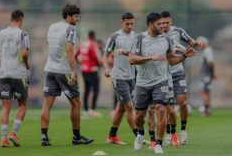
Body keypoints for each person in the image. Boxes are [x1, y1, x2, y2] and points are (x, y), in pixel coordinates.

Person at [129, 12, 195, 153]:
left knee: (161, 108)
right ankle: (141, 133)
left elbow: (171, 60)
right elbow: (132, 59)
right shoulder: (139, 38)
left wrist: (184, 55)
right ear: (150, 24)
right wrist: (151, 57)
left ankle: (158, 143)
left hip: (161, 81)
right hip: (142, 82)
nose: (162, 26)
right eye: (158, 24)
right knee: (139, 117)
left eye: (163, 23)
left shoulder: (166, 39)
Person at [40, 3, 94, 146]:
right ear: (68, 17)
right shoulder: (71, 28)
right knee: (76, 103)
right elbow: (69, 49)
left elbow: (48, 42)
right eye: (76, 16)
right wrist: (73, 71)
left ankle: (44, 136)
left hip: (50, 70)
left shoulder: (52, 26)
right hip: (64, 71)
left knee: (47, 105)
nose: (77, 19)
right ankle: (76, 137)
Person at [161, 11, 204, 145]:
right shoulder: (157, 34)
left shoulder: (178, 31)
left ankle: (183, 130)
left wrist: (196, 43)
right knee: (168, 106)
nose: (165, 25)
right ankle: (169, 133)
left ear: (171, 21)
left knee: (182, 102)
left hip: (178, 71)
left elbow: (190, 41)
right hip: (163, 74)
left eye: (167, 22)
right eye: (163, 23)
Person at [0, 9, 30, 147]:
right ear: (20, 20)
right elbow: (24, 53)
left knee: (6, 107)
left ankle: (3, 139)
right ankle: (13, 133)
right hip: (18, 74)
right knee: (23, 105)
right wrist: (27, 64)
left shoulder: (0, 33)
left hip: (3, 74)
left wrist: (6, 56)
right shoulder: (22, 33)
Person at [103, 12, 138, 144]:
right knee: (129, 106)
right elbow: (105, 56)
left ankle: (112, 135)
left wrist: (127, 52)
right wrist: (107, 68)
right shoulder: (115, 37)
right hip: (118, 76)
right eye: (127, 23)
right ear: (121, 22)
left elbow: (138, 54)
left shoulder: (136, 37)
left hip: (132, 76)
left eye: (132, 24)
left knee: (121, 107)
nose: (130, 26)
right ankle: (138, 135)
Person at [75, 31, 102, 118]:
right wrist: (99, 64)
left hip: (84, 70)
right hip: (92, 70)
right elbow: (95, 57)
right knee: (96, 90)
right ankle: (92, 110)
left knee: (86, 90)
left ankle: (86, 110)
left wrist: (80, 62)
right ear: (93, 36)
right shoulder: (93, 45)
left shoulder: (82, 44)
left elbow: (76, 55)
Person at [197, 36, 215, 116]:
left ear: (204, 43)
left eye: (199, 43)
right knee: (206, 91)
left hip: (206, 75)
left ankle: (206, 109)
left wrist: (212, 73)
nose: (198, 45)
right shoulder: (206, 50)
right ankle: (207, 109)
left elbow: (211, 63)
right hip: (206, 74)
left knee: (204, 91)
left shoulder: (207, 51)